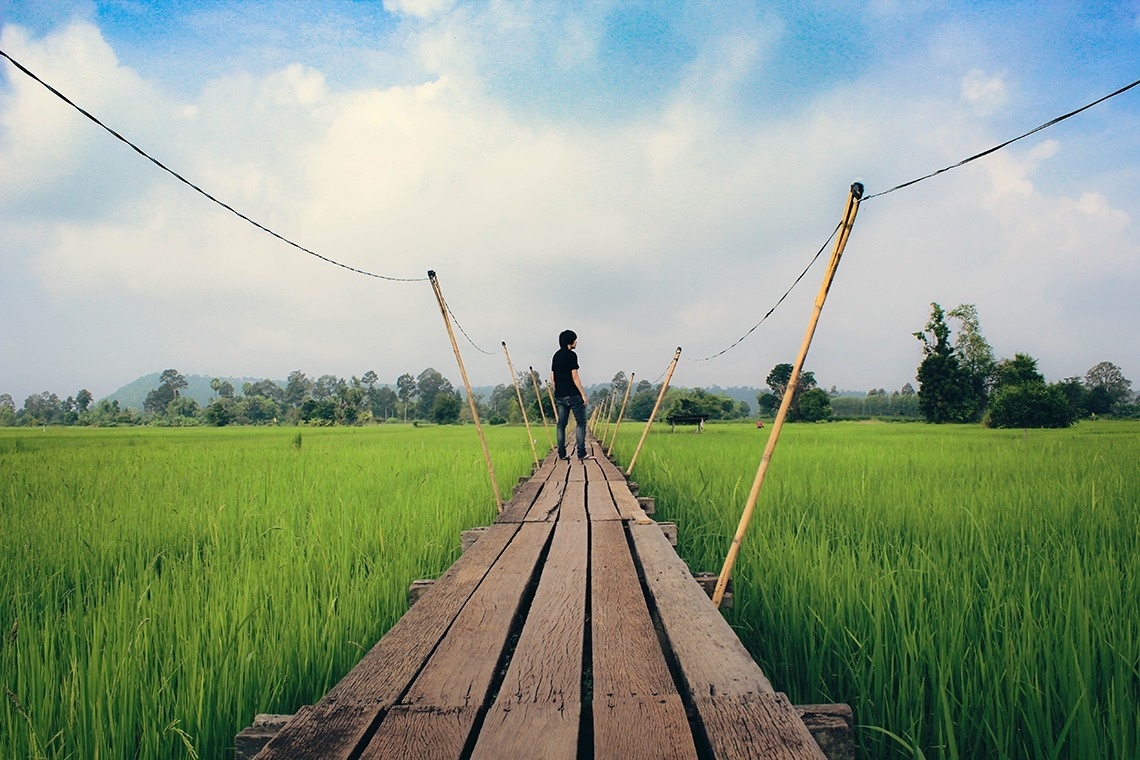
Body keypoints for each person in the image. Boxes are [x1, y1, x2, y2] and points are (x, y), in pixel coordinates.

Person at [550, 329, 591, 461]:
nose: (576, 342)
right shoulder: (571, 355)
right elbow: (575, 376)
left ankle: (561, 454)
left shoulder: (556, 356)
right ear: (570, 342)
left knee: (561, 424)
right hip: (573, 394)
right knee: (581, 423)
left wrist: (558, 390)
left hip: (560, 395)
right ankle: (581, 453)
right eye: (575, 340)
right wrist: (583, 394)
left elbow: (552, 377)